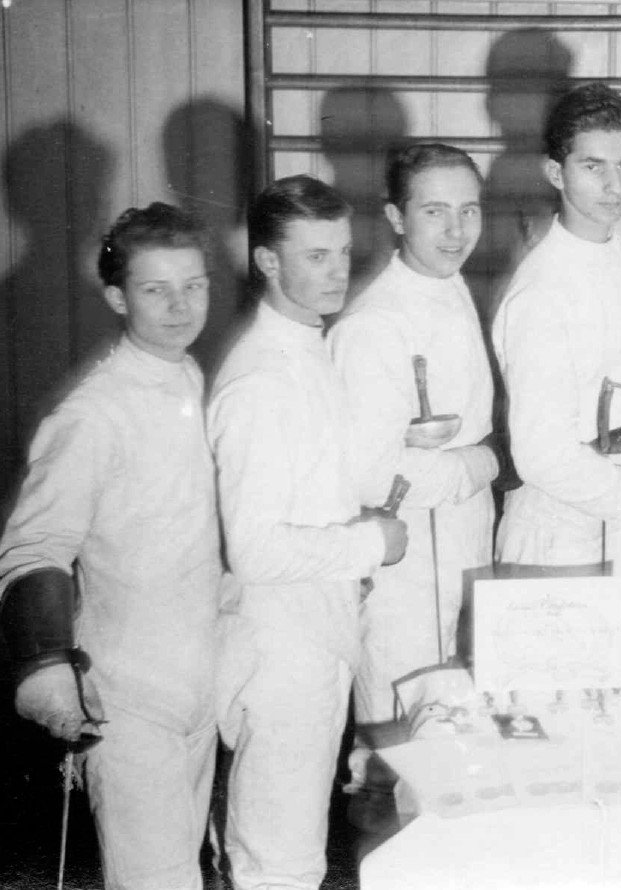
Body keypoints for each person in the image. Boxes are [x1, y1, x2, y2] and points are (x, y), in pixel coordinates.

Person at [0, 203, 222, 889]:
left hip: (201, 681)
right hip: (128, 697)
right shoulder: (93, 413)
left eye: (193, 285)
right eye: (156, 289)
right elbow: (33, 546)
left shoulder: (190, 379)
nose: (180, 306)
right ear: (118, 298)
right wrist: (47, 668)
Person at [207, 175, 408, 890]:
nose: (336, 271)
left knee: (292, 854)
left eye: (343, 252)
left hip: (316, 632)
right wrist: (372, 545)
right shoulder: (260, 381)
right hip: (279, 650)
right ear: (267, 260)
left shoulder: (307, 350)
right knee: (278, 863)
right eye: (316, 256)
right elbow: (254, 549)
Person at [329, 144, 500, 791]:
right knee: (395, 758)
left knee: (459, 755)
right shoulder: (373, 325)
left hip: (462, 552)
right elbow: (369, 475)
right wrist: (481, 463)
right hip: (404, 578)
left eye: (468, 210)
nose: (456, 230)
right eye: (434, 211)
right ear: (397, 217)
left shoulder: (451, 287)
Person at [491, 83, 621, 581]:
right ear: (556, 173)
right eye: (593, 167)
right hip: (556, 535)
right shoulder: (542, 291)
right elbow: (541, 456)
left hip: (608, 519)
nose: (615, 186)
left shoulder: (606, 249)